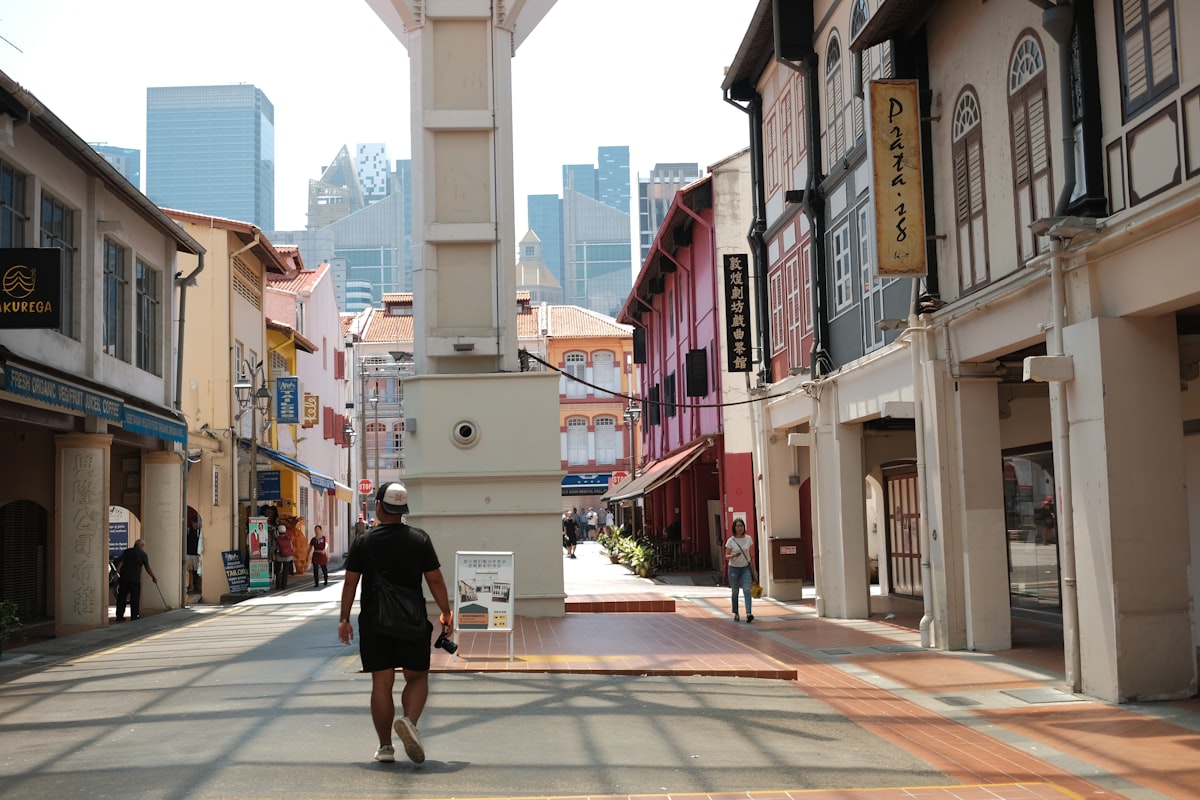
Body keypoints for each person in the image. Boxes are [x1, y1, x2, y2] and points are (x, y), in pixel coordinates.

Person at [339, 482, 453, 764]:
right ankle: (410, 722)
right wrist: (446, 611)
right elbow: (435, 579)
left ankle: (386, 747)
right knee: (416, 676)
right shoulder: (419, 539)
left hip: (375, 621)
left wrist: (344, 619)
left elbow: (350, 583)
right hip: (411, 619)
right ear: (403, 509)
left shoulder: (363, 541)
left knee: (382, 683)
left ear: (379, 506)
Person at [113, 538, 158, 621]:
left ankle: (119, 616)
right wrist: (153, 577)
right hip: (135, 579)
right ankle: (134, 615)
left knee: (121, 597)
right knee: (135, 598)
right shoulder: (143, 554)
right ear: (141, 546)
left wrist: (116, 573)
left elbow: (121, 563)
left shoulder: (127, 551)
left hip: (124, 578)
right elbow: (147, 568)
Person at [724, 518, 756, 623]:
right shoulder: (731, 541)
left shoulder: (748, 539)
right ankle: (736, 612)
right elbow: (726, 556)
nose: (740, 528)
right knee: (735, 591)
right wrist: (733, 555)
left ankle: (748, 613)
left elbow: (751, 556)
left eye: (741, 526)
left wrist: (754, 569)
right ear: (734, 527)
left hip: (745, 568)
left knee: (747, 589)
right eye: (737, 526)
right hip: (733, 569)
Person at [272, 525, 294, 591]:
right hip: (288, 556)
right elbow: (291, 547)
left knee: (278, 571)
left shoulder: (277, 539)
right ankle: (284, 585)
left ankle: (278, 585)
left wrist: (273, 554)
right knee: (285, 571)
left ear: (278, 531)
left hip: (279, 556)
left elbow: (273, 548)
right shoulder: (288, 538)